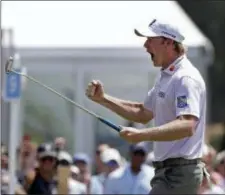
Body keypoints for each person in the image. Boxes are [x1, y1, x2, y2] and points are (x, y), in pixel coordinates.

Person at [86, 18, 208, 194]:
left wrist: (142, 135)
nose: (145, 45)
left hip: (179, 173)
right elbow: (142, 113)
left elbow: (187, 124)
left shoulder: (185, 78)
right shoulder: (166, 76)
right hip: (168, 172)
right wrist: (103, 99)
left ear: (168, 42)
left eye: (150, 40)